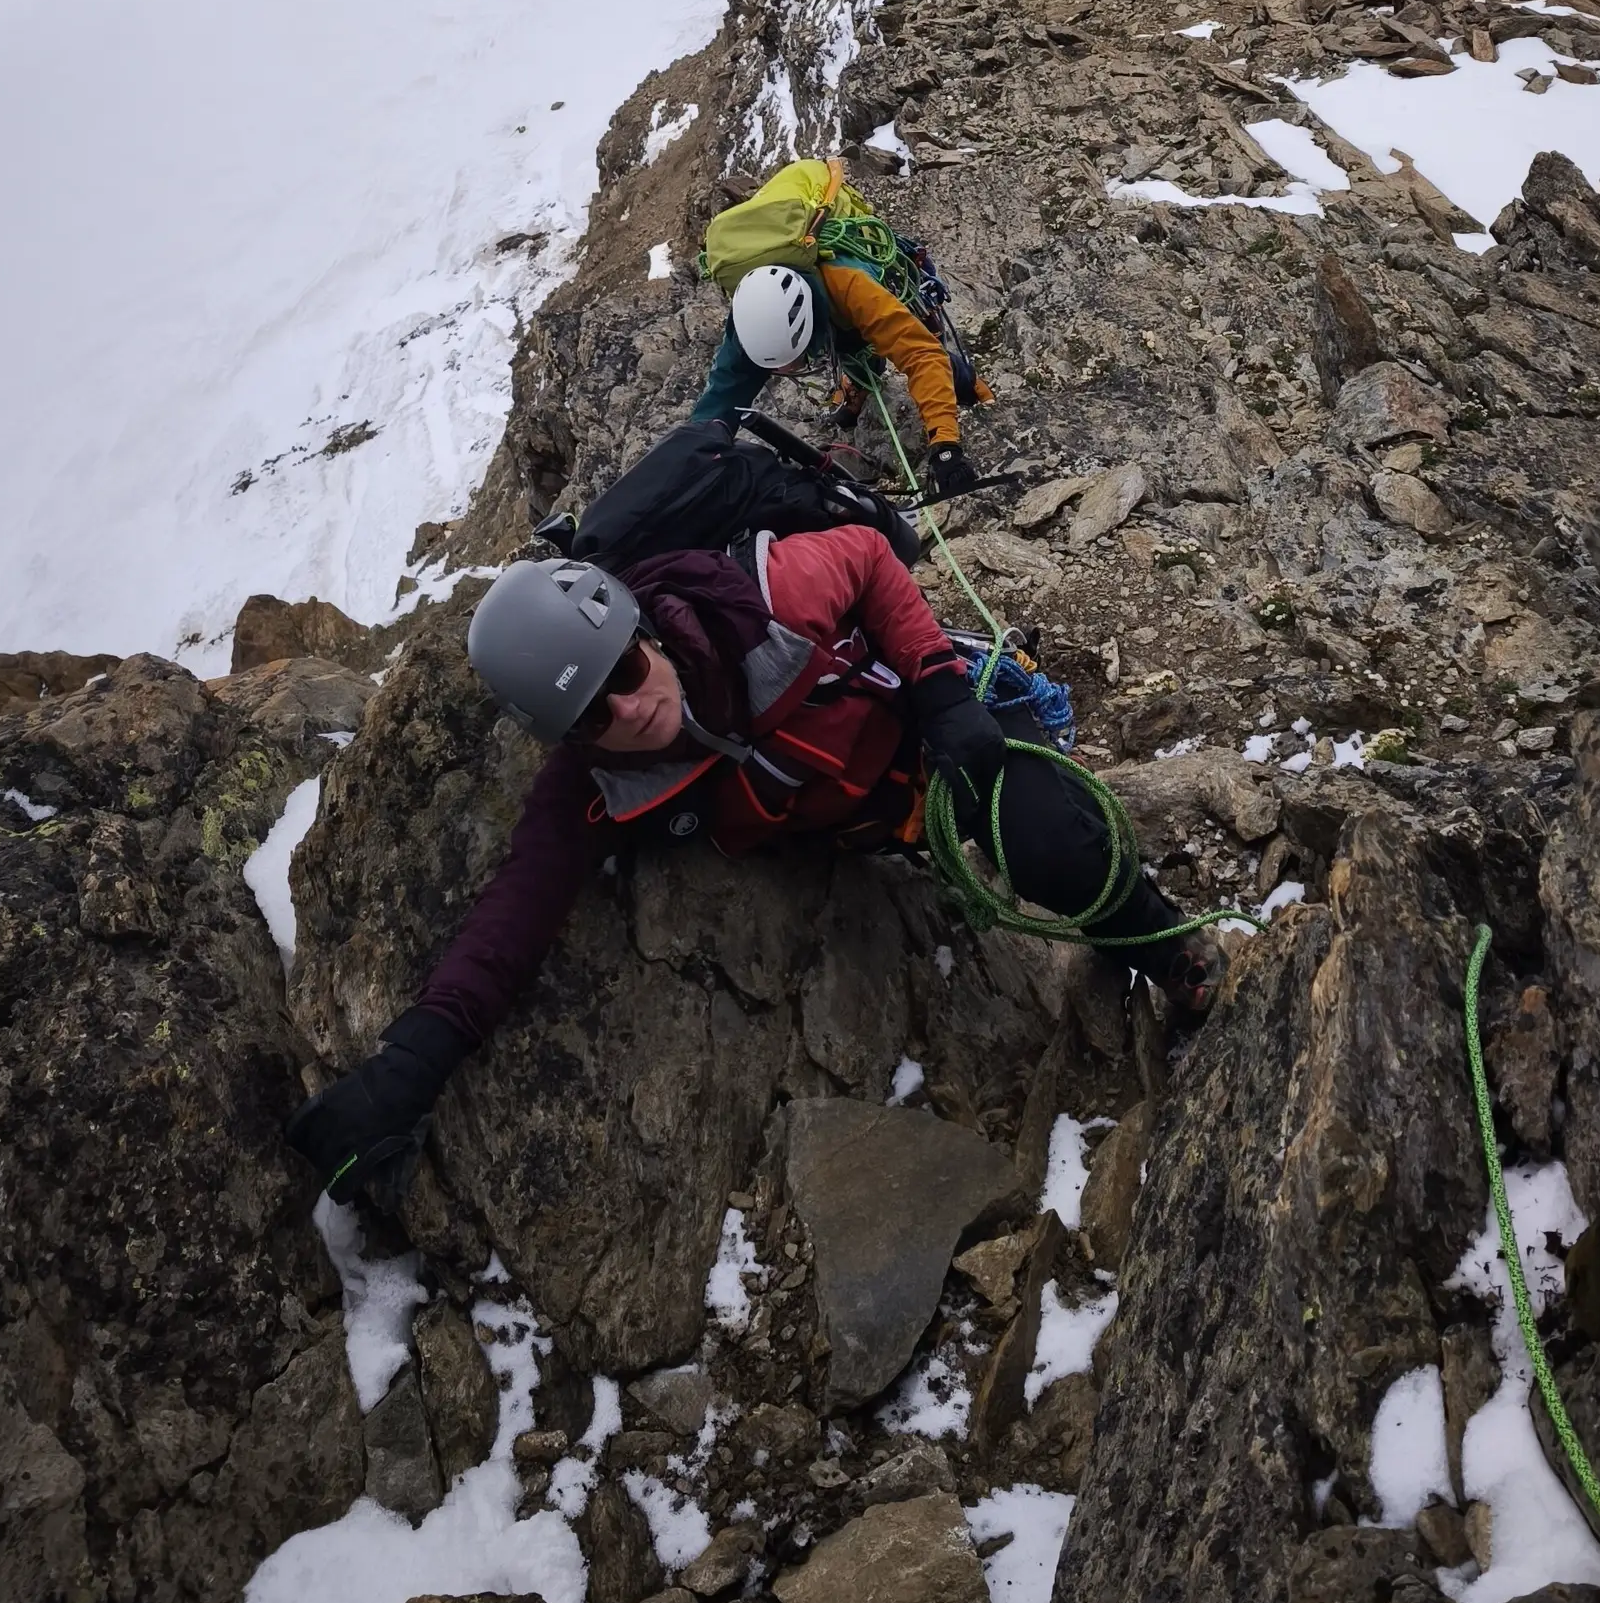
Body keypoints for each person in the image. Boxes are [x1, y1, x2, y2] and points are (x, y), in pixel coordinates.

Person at [286, 524, 1215, 1210]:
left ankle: (1165, 947)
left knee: (1055, 842)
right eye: (594, 715)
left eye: (624, 670)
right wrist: (411, 1064)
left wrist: (938, 687)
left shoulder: (758, 600)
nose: (630, 710)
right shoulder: (600, 786)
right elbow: (513, 914)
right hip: (874, 823)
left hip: (939, 731)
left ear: (640, 628)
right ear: (567, 739)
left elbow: (868, 556)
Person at [692, 159, 990, 501]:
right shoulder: (751, 314)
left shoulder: (849, 286)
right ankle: (861, 381)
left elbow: (920, 354)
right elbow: (723, 394)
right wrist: (692, 458)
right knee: (849, 337)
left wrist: (945, 446)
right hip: (793, 231)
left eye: (796, 358)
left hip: (843, 244)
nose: (793, 369)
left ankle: (969, 383)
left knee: (868, 335)